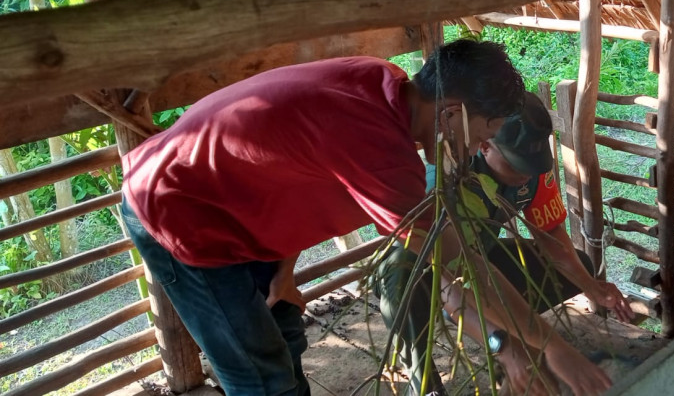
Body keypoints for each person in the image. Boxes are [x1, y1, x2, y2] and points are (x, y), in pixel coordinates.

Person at [120, 40, 613, 396]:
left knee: (284, 332)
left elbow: (291, 161)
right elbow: (462, 268)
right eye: (483, 129)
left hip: (235, 206)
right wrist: (550, 348)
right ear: (451, 113)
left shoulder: (383, 82)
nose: (478, 145)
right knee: (262, 376)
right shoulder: (381, 150)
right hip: (178, 211)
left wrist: (284, 267)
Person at [377, 92, 632, 395]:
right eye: (516, 165)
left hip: (479, 256)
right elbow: (457, 281)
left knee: (574, 269)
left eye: (531, 164)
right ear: (484, 145)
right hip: (429, 270)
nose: (525, 176)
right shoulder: (447, 181)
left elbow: (550, 236)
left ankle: (518, 333)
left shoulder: (533, 171)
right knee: (405, 283)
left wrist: (590, 285)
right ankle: (424, 382)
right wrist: (505, 344)